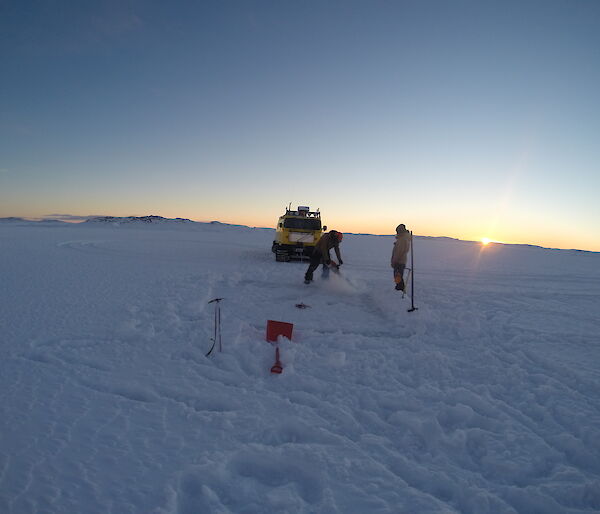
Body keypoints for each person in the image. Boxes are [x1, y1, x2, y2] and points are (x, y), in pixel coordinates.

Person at [391, 224, 411, 291]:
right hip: (400, 261)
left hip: (399, 261)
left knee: (398, 277)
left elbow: (399, 252)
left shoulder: (402, 239)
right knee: (398, 277)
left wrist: (395, 261)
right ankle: (400, 290)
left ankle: (400, 291)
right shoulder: (403, 239)